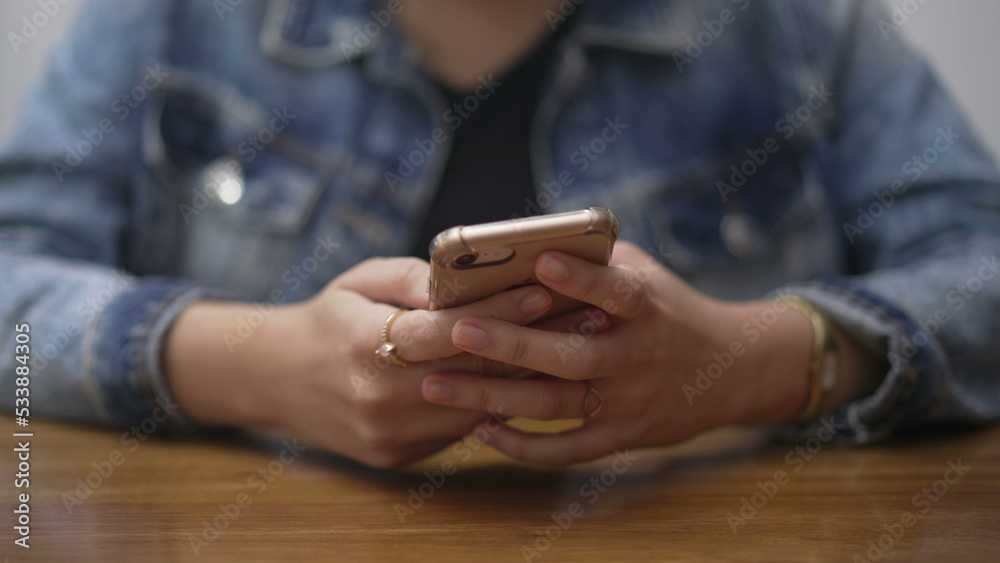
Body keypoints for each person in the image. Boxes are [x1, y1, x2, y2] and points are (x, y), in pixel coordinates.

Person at [1, 0, 998, 470]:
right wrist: (255, 364)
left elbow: (977, 259)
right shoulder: (169, 17)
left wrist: (758, 363)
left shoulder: (795, 25)